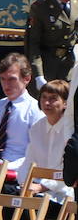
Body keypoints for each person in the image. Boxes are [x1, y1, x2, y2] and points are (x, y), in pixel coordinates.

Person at [0, 54, 44, 184]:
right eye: (2, 79)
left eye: (12, 79)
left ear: (27, 79)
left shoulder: (35, 111)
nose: (6, 85)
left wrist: (6, 167)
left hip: (15, 173)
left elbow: (36, 153)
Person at [26, 0, 78, 87]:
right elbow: (33, 44)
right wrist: (38, 75)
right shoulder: (40, 8)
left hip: (68, 69)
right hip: (47, 67)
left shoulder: (75, 4)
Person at [27, 80, 73, 208]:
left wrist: (43, 186)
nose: (47, 103)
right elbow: (29, 161)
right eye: (44, 97)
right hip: (37, 189)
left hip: (63, 193)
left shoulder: (70, 131)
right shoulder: (37, 128)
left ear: (65, 103)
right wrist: (25, 184)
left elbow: (68, 170)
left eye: (53, 99)